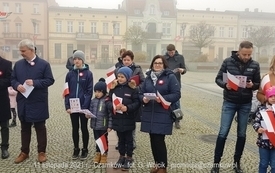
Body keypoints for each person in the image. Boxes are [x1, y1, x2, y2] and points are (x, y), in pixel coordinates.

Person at [211, 41, 261, 173]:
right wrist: (225, 85)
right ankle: (216, 164)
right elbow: (218, 79)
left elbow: (258, 83)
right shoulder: (228, 61)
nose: (246, 57)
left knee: (242, 134)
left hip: (245, 103)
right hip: (229, 102)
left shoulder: (255, 65)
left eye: (249, 54)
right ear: (238, 51)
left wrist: (253, 86)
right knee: (223, 132)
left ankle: (237, 162)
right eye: (244, 54)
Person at [11, 39, 55, 163]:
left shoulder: (44, 64)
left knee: (40, 128)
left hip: (38, 101)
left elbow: (50, 80)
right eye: (20, 51)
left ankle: (41, 152)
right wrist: (17, 85)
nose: (21, 53)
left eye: (23, 51)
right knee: (24, 128)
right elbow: (12, 79)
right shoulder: (18, 64)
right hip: (23, 102)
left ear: (31, 50)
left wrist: (35, 83)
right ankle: (24, 152)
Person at [140, 55, 181, 173]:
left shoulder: (170, 77)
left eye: (160, 63)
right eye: (155, 63)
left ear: (164, 65)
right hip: (150, 113)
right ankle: (157, 163)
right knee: (152, 139)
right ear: (152, 65)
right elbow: (140, 93)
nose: (157, 65)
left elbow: (177, 94)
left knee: (159, 139)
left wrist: (162, 98)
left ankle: (163, 167)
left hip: (163, 112)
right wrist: (144, 99)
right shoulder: (148, 78)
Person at [106, 66, 140, 170]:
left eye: (122, 76)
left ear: (128, 77)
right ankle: (121, 157)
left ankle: (129, 158)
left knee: (129, 140)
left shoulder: (133, 89)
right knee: (120, 140)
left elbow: (137, 103)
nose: (120, 78)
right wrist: (112, 106)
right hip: (117, 119)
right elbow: (107, 100)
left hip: (128, 118)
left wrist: (127, 108)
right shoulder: (113, 88)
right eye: (119, 76)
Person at [64, 50, 93, 160]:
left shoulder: (88, 74)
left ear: (82, 60)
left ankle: (85, 149)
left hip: (83, 106)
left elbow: (89, 91)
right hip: (73, 106)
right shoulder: (70, 74)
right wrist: (67, 106)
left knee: (84, 128)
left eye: (79, 59)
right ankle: (76, 148)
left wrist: (85, 107)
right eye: (75, 59)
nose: (76, 61)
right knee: (74, 128)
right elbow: (66, 91)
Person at [114, 50, 145, 149]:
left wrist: (136, 89)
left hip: (132, 97)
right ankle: (120, 141)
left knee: (131, 120)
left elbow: (143, 82)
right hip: (120, 97)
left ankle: (132, 140)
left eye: (128, 60)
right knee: (119, 121)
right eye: (124, 59)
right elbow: (115, 82)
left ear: (132, 60)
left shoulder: (137, 69)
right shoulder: (118, 69)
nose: (126, 62)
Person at [86, 78, 112, 164]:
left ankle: (104, 154)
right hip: (95, 125)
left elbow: (110, 114)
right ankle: (98, 153)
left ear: (103, 92)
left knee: (103, 140)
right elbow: (90, 110)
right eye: (95, 91)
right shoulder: (93, 101)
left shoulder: (107, 101)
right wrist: (88, 115)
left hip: (103, 125)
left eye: (99, 92)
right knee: (97, 140)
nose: (97, 94)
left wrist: (109, 126)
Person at [253, 86, 275, 173]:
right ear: (266, 97)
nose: (273, 98)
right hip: (263, 142)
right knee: (263, 163)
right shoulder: (261, 109)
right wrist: (258, 128)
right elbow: (256, 122)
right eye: (271, 96)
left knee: (274, 164)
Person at [164, 44, 186, 129]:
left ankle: (177, 120)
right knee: (166, 102)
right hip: (166, 83)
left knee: (176, 103)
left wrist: (182, 70)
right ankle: (168, 119)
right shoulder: (164, 58)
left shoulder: (180, 57)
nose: (171, 54)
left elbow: (184, 69)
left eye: (172, 52)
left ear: (175, 50)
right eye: (169, 52)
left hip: (176, 83)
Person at [0, 56, 12, 159]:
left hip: (2, 100)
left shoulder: (6, 63)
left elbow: (9, 80)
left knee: (4, 126)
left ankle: (4, 148)